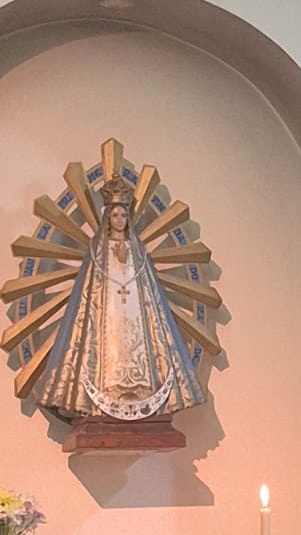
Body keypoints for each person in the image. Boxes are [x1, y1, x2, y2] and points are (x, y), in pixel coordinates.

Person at [35, 173, 205, 420]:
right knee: (106, 343)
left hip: (136, 311)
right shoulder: (97, 251)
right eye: (115, 215)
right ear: (107, 217)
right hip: (107, 314)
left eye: (124, 215)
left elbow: (149, 293)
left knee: (139, 341)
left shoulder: (138, 251)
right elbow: (89, 293)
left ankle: (148, 393)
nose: (120, 219)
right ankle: (96, 399)